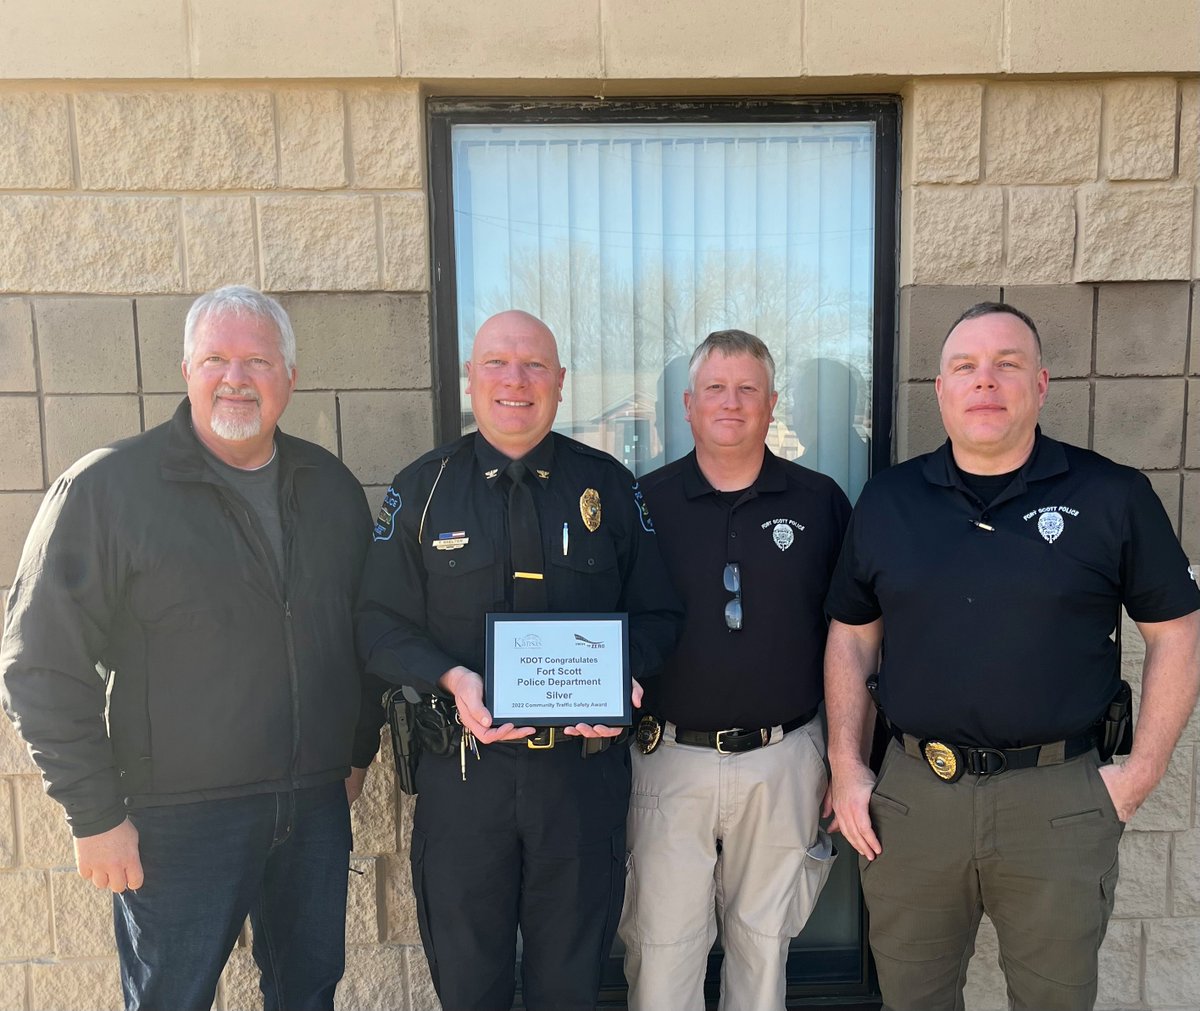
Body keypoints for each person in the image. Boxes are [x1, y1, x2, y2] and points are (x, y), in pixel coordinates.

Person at [0, 286, 380, 1011]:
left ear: (290, 378)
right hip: (175, 818)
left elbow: (360, 630)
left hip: (312, 806)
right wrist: (95, 814)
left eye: (258, 360)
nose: (236, 377)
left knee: (309, 994)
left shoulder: (329, 487)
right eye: (216, 358)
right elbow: (38, 666)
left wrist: (356, 750)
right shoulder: (108, 488)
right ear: (186, 368)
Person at [824, 302, 1200, 1011]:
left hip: (1059, 802)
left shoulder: (1112, 495)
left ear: (1042, 384)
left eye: (1007, 364)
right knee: (913, 999)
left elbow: (1177, 631)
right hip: (914, 797)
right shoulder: (888, 499)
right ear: (940, 389)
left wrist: (1140, 772)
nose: (985, 381)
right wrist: (847, 765)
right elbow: (851, 633)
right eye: (965, 366)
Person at [355, 309, 682, 1011]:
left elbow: (660, 614)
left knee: (569, 982)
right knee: (469, 983)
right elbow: (375, 624)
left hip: (580, 781)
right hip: (463, 776)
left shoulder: (610, 487)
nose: (515, 379)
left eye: (534, 364)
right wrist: (450, 676)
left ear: (560, 382)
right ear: (471, 378)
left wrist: (625, 678)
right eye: (497, 363)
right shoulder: (423, 489)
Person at [619, 329, 850, 1011]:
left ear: (771, 402)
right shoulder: (642, 505)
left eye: (748, 388)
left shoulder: (820, 502)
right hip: (666, 761)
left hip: (786, 758)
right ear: (688, 404)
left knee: (764, 952)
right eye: (715, 388)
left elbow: (855, 637)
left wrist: (847, 756)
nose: (731, 402)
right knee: (661, 953)